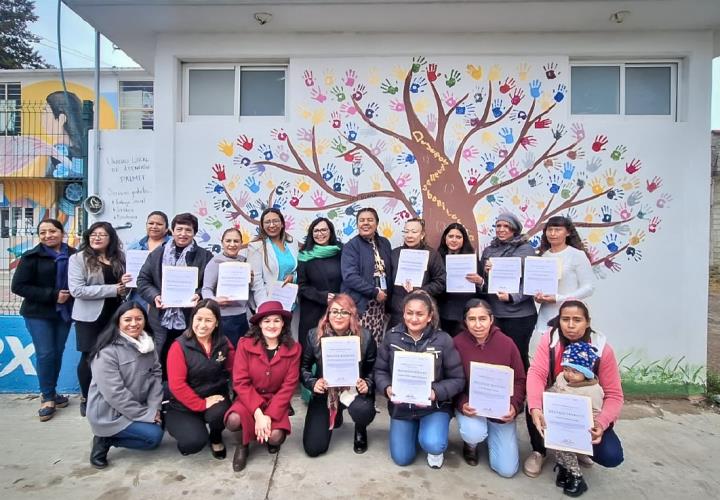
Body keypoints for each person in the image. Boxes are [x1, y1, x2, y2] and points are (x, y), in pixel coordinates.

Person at [524, 300, 624, 479]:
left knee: (611, 456)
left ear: (588, 322)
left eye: (577, 320)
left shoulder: (602, 349)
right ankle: (539, 451)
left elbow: (614, 395)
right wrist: (535, 407)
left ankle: (578, 448)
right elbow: (537, 373)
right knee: (533, 403)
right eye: (565, 319)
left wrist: (601, 423)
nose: (570, 325)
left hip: (588, 411)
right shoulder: (550, 339)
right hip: (557, 400)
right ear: (559, 320)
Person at [374, 291, 465, 469]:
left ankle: (433, 445)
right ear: (403, 313)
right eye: (409, 313)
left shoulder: (443, 340)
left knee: (433, 443)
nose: (414, 319)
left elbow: (458, 378)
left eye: (420, 314)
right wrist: (386, 388)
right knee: (402, 458)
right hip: (402, 407)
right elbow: (380, 370)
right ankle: (414, 430)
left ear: (430, 316)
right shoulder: (392, 337)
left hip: (434, 407)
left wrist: (436, 392)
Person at [11, 219, 76, 421]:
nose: (48, 235)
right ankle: (47, 397)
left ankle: (53, 392)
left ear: (62, 232)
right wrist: (52, 295)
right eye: (43, 232)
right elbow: (19, 286)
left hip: (63, 313)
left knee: (57, 353)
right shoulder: (31, 257)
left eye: (52, 231)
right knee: (46, 354)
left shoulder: (75, 256)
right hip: (38, 313)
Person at [225, 301, 301, 472]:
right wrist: (259, 414)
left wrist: (269, 415)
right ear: (259, 324)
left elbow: (288, 387)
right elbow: (240, 382)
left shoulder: (294, 349)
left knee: (275, 437)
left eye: (276, 320)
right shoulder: (245, 344)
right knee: (233, 419)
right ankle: (242, 445)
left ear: (283, 323)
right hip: (249, 397)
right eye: (266, 321)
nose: (272, 325)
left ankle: (266, 436)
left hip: (275, 400)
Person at [453, 299, 526, 477]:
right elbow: (451, 379)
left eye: (483, 318)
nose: (478, 324)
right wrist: (462, 403)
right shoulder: (456, 344)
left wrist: (514, 406)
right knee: (473, 433)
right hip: (472, 407)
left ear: (491, 319)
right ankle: (471, 444)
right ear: (465, 321)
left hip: (501, 412)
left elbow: (519, 380)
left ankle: (494, 434)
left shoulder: (507, 344)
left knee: (507, 470)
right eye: (472, 319)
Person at [86, 301, 164, 469]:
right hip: (111, 413)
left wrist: (154, 408)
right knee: (154, 437)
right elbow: (115, 395)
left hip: (138, 403)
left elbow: (156, 376)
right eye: (128, 319)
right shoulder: (107, 352)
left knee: (169, 397)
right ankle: (104, 438)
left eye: (139, 319)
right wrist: (147, 415)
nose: (134, 324)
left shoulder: (148, 344)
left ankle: (141, 422)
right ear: (118, 321)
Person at [137, 212, 213, 375]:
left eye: (188, 230)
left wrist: (199, 294)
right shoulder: (157, 254)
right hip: (160, 317)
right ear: (172, 230)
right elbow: (143, 281)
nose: (183, 234)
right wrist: (155, 296)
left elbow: (210, 284)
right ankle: (161, 393)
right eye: (179, 229)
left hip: (191, 317)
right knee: (160, 357)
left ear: (194, 233)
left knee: (188, 358)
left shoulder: (205, 256)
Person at [301, 294, 376, 457]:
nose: (338, 316)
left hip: (354, 391)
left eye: (344, 312)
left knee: (363, 410)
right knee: (313, 449)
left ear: (352, 315)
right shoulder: (315, 335)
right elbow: (304, 367)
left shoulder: (366, 337)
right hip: (327, 393)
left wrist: (367, 383)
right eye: (334, 311)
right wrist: (313, 383)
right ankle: (336, 413)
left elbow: (373, 369)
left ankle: (360, 428)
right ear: (328, 314)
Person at [69, 222, 130, 417]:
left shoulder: (119, 258)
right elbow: (77, 290)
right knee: (88, 357)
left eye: (102, 235)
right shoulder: (78, 259)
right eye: (94, 234)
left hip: (115, 315)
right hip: (89, 317)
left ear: (110, 238)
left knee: (114, 358)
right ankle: (86, 398)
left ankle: (110, 397)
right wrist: (113, 290)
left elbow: (124, 286)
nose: (97, 238)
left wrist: (126, 286)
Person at [165, 300, 234, 459]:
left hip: (215, 397)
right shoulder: (179, 346)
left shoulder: (223, 343)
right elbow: (177, 385)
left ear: (216, 323)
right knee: (193, 443)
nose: (202, 325)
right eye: (198, 319)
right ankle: (184, 428)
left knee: (219, 415)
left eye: (208, 320)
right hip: (183, 405)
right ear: (192, 319)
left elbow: (235, 370)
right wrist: (200, 404)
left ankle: (216, 437)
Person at [479, 213, 537, 370]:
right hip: (495, 313)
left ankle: (524, 392)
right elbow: (486, 284)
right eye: (498, 226)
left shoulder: (526, 249)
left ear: (514, 229)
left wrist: (513, 297)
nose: (501, 229)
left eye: (506, 226)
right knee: (497, 356)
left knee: (518, 355)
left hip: (520, 315)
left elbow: (532, 282)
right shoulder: (489, 251)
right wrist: (485, 272)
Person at [547, 341, 604, 497]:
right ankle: (563, 470)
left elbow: (596, 411)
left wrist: (590, 424)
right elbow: (553, 392)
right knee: (558, 447)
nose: (569, 374)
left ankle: (576, 476)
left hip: (578, 429)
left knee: (568, 450)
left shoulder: (593, 390)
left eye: (575, 371)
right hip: (559, 422)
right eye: (566, 369)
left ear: (586, 372)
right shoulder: (561, 378)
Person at [534, 216, 594, 334]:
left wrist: (559, 298)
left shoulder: (577, 255)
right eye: (549, 230)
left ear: (568, 232)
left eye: (557, 230)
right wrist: (538, 297)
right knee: (547, 350)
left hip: (570, 317)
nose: (553, 233)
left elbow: (589, 288)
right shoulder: (543, 256)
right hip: (546, 316)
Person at [341, 207, 393, 345]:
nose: (365, 223)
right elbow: (350, 276)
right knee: (361, 344)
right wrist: (374, 292)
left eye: (370, 220)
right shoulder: (351, 246)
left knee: (376, 343)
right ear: (357, 224)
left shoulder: (384, 243)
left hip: (380, 305)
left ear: (376, 223)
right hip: (361, 305)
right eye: (361, 220)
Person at [388, 218, 446, 329]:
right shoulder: (395, 253)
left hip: (422, 311)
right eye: (406, 231)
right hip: (398, 310)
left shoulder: (432, 255)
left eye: (414, 232)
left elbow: (440, 282)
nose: (409, 235)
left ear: (422, 234)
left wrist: (421, 291)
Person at [297, 217, 343, 350]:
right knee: (311, 348)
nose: (320, 233)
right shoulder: (305, 255)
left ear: (331, 232)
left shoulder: (341, 252)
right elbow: (301, 285)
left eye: (324, 230)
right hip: (312, 311)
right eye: (316, 231)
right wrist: (322, 296)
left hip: (337, 309)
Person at [202, 228, 251, 347]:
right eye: (228, 241)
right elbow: (206, 289)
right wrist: (215, 300)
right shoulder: (215, 262)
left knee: (241, 352)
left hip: (242, 316)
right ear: (222, 242)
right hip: (224, 317)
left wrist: (250, 280)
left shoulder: (244, 262)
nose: (232, 244)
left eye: (236, 241)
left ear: (241, 243)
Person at [436, 222, 484, 337]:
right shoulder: (436, 258)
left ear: (464, 240)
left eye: (458, 237)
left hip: (465, 310)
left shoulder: (472, 259)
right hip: (443, 311)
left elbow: (482, 288)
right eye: (451, 236)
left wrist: (479, 281)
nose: (454, 240)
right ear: (445, 239)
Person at [247, 208, 299, 311]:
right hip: (267, 303)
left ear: (282, 224)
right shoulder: (256, 246)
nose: (272, 225)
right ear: (262, 225)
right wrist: (265, 307)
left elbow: (297, 269)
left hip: (289, 302)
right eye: (267, 222)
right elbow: (256, 281)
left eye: (275, 221)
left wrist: (293, 276)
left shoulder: (292, 243)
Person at [127, 211, 172, 309]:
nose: (154, 226)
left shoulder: (173, 245)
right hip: (139, 295)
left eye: (159, 224)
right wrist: (124, 279)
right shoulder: (134, 246)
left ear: (166, 228)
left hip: (165, 295)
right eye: (151, 223)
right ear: (146, 225)